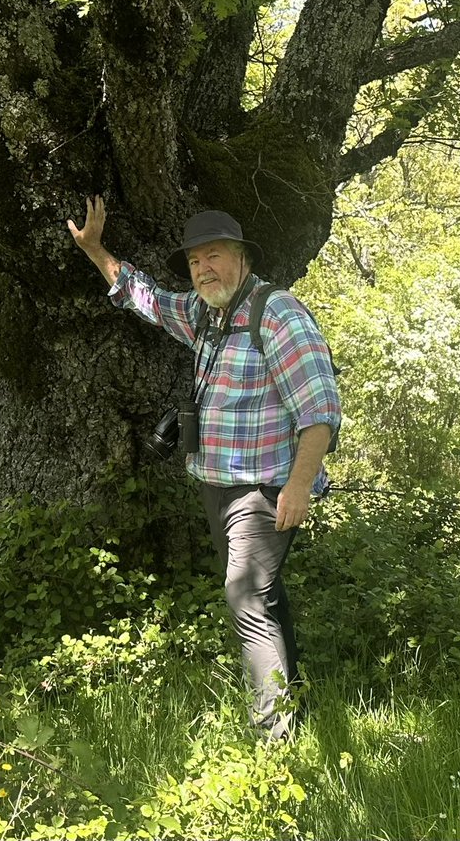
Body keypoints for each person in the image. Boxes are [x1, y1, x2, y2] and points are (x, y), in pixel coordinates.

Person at [67, 196, 341, 740]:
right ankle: (294, 699)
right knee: (264, 595)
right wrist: (97, 251)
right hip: (217, 486)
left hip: (266, 489)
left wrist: (299, 486)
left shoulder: (277, 312)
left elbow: (320, 409)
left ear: (240, 256)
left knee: (245, 596)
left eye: (212, 256)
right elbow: (145, 298)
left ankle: (274, 738)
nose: (202, 270)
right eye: (194, 262)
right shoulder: (204, 315)